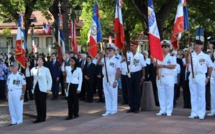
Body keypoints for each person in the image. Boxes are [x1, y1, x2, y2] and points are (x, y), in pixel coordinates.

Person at [186, 40, 213, 120]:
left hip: (201, 76)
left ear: (201, 46)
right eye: (195, 45)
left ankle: (201, 113)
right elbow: (187, 64)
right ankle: (194, 112)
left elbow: (210, 66)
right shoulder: (191, 55)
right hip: (192, 76)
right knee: (193, 95)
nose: (196, 46)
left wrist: (208, 77)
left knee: (201, 95)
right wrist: (188, 53)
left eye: (198, 45)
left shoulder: (205, 56)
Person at [98, 43, 121, 117]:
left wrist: (116, 80)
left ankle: (114, 110)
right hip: (105, 78)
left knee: (113, 94)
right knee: (107, 94)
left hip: (112, 77)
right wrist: (101, 57)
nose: (108, 52)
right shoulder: (105, 59)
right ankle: (108, 109)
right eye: (107, 50)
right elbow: (98, 63)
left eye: (110, 50)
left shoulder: (116, 59)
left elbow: (118, 71)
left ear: (114, 51)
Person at [156, 40, 176, 117]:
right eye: (162, 47)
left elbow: (173, 66)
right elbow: (154, 64)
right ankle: (162, 109)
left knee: (169, 94)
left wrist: (163, 66)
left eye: (165, 47)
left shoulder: (171, 56)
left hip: (168, 77)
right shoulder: (158, 57)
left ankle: (169, 110)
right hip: (160, 76)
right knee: (161, 94)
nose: (163, 48)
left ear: (169, 48)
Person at [126, 41, 146, 113]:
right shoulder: (127, 54)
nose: (131, 46)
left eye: (133, 45)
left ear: (136, 46)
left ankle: (137, 107)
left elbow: (143, 67)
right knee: (130, 91)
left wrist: (143, 77)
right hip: (129, 74)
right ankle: (131, 107)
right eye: (130, 45)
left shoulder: (140, 55)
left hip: (137, 74)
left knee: (137, 91)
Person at [31, 57, 52, 123]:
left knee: (42, 103)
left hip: (43, 88)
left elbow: (49, 79)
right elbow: (29, 75)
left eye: (40, 59)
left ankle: (43, 117)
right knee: (37, 103)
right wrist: (27, 67)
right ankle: (38, 117)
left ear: (43, 62)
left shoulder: (46, 69)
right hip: (36, 87)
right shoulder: (34, 69)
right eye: (38, 59)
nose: (38, 60)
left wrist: (48, 88)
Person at [207, 40, 215, 116]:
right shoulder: (212, 52)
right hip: (213, 73)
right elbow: (209, 59)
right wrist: (212, 50)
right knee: (212, 93)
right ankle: (213, 110)